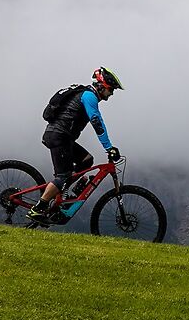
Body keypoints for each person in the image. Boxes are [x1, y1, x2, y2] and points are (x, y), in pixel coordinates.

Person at [36, 66, 123, 220]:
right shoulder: (89, 96)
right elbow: (97, 122)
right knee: (62, 176)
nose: (111, 94)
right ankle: (39, 208)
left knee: (87, 160)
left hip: (61, 136)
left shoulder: (86, 94)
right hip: (59, 136)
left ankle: (63, 193)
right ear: (102, 86)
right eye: (111, 89)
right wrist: (108, 147)